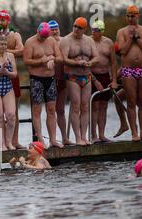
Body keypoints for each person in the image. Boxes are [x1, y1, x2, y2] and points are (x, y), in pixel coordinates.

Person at [0, 10, 25, 149]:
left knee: (13, 114)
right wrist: (6, 50)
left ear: (8, 21)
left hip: (10, 79)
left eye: (2, 20)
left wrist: (7, 52)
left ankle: (13, 141)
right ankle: (3, 143)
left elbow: (22, 50)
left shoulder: (15, 35)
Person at [60, 17, 100, 146]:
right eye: (75, 26)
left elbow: (96, 57)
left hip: (86, 76)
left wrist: (90, 62)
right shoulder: (67, 40)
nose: (76, 29)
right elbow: (64, 59)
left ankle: (84, 136)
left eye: (79, 27)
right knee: (76, 106)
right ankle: (77, 138)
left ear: (84, 29)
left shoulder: (89, 40)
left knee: (85, 106)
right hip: (73, 76)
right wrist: (77, 63)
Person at [116, 5, 142, 143]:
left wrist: (138, 38)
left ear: (138, 16)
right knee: (131, 102)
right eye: (128, 16)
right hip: (128, 70)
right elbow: (122, 51)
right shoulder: (121, 32)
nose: (130, 18)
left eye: (133, 15)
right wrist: (131, 39)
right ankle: (134, 133)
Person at [24, 22, 63, 149]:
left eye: (45, 37)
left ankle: (53, 140)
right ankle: (40, 139)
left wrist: (52, 59)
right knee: (37, 111)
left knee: (51, 110)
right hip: (36, 79)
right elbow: (26, 61)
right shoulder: (30, 42)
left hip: (50, 79)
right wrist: (42, 60)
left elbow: (60, 58)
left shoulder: (51, 41)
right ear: (38, 31)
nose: (43, 39)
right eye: (42, 37)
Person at [90, 20, 118, 144]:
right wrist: (94, 80)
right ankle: (93, 135)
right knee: (94, 106)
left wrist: (114, 79)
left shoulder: (108, 42)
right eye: (92, 29)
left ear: (101, 31)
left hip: (105, 75)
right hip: (93, 75)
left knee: (104, 106)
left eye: (96, 30)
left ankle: (102, 135)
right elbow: (86, 64)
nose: (93, 32)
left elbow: (113, 62)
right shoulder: (88, 41)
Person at [49, 20, 74, 146]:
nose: (54, 31)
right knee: (51, 110)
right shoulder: (47, 42)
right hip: (50, 80)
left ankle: (64, 138)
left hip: (63, 79)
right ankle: (51, 139)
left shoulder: (64, 41)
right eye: (52, 29)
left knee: (61, 110)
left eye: (56, 29)